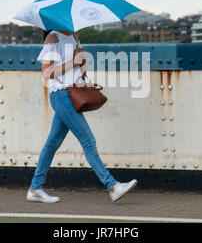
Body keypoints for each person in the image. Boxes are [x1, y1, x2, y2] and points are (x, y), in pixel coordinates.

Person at [27, 29, 137, 203]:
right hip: (61, 95)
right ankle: (112, 186)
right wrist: (72, 62)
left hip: (72, 93)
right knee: (88, 141)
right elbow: (46, 73)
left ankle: (35, 188)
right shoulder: (53, 37)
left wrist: (82, 62)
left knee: (52, 144)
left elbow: (78, 69)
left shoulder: (74, 36)